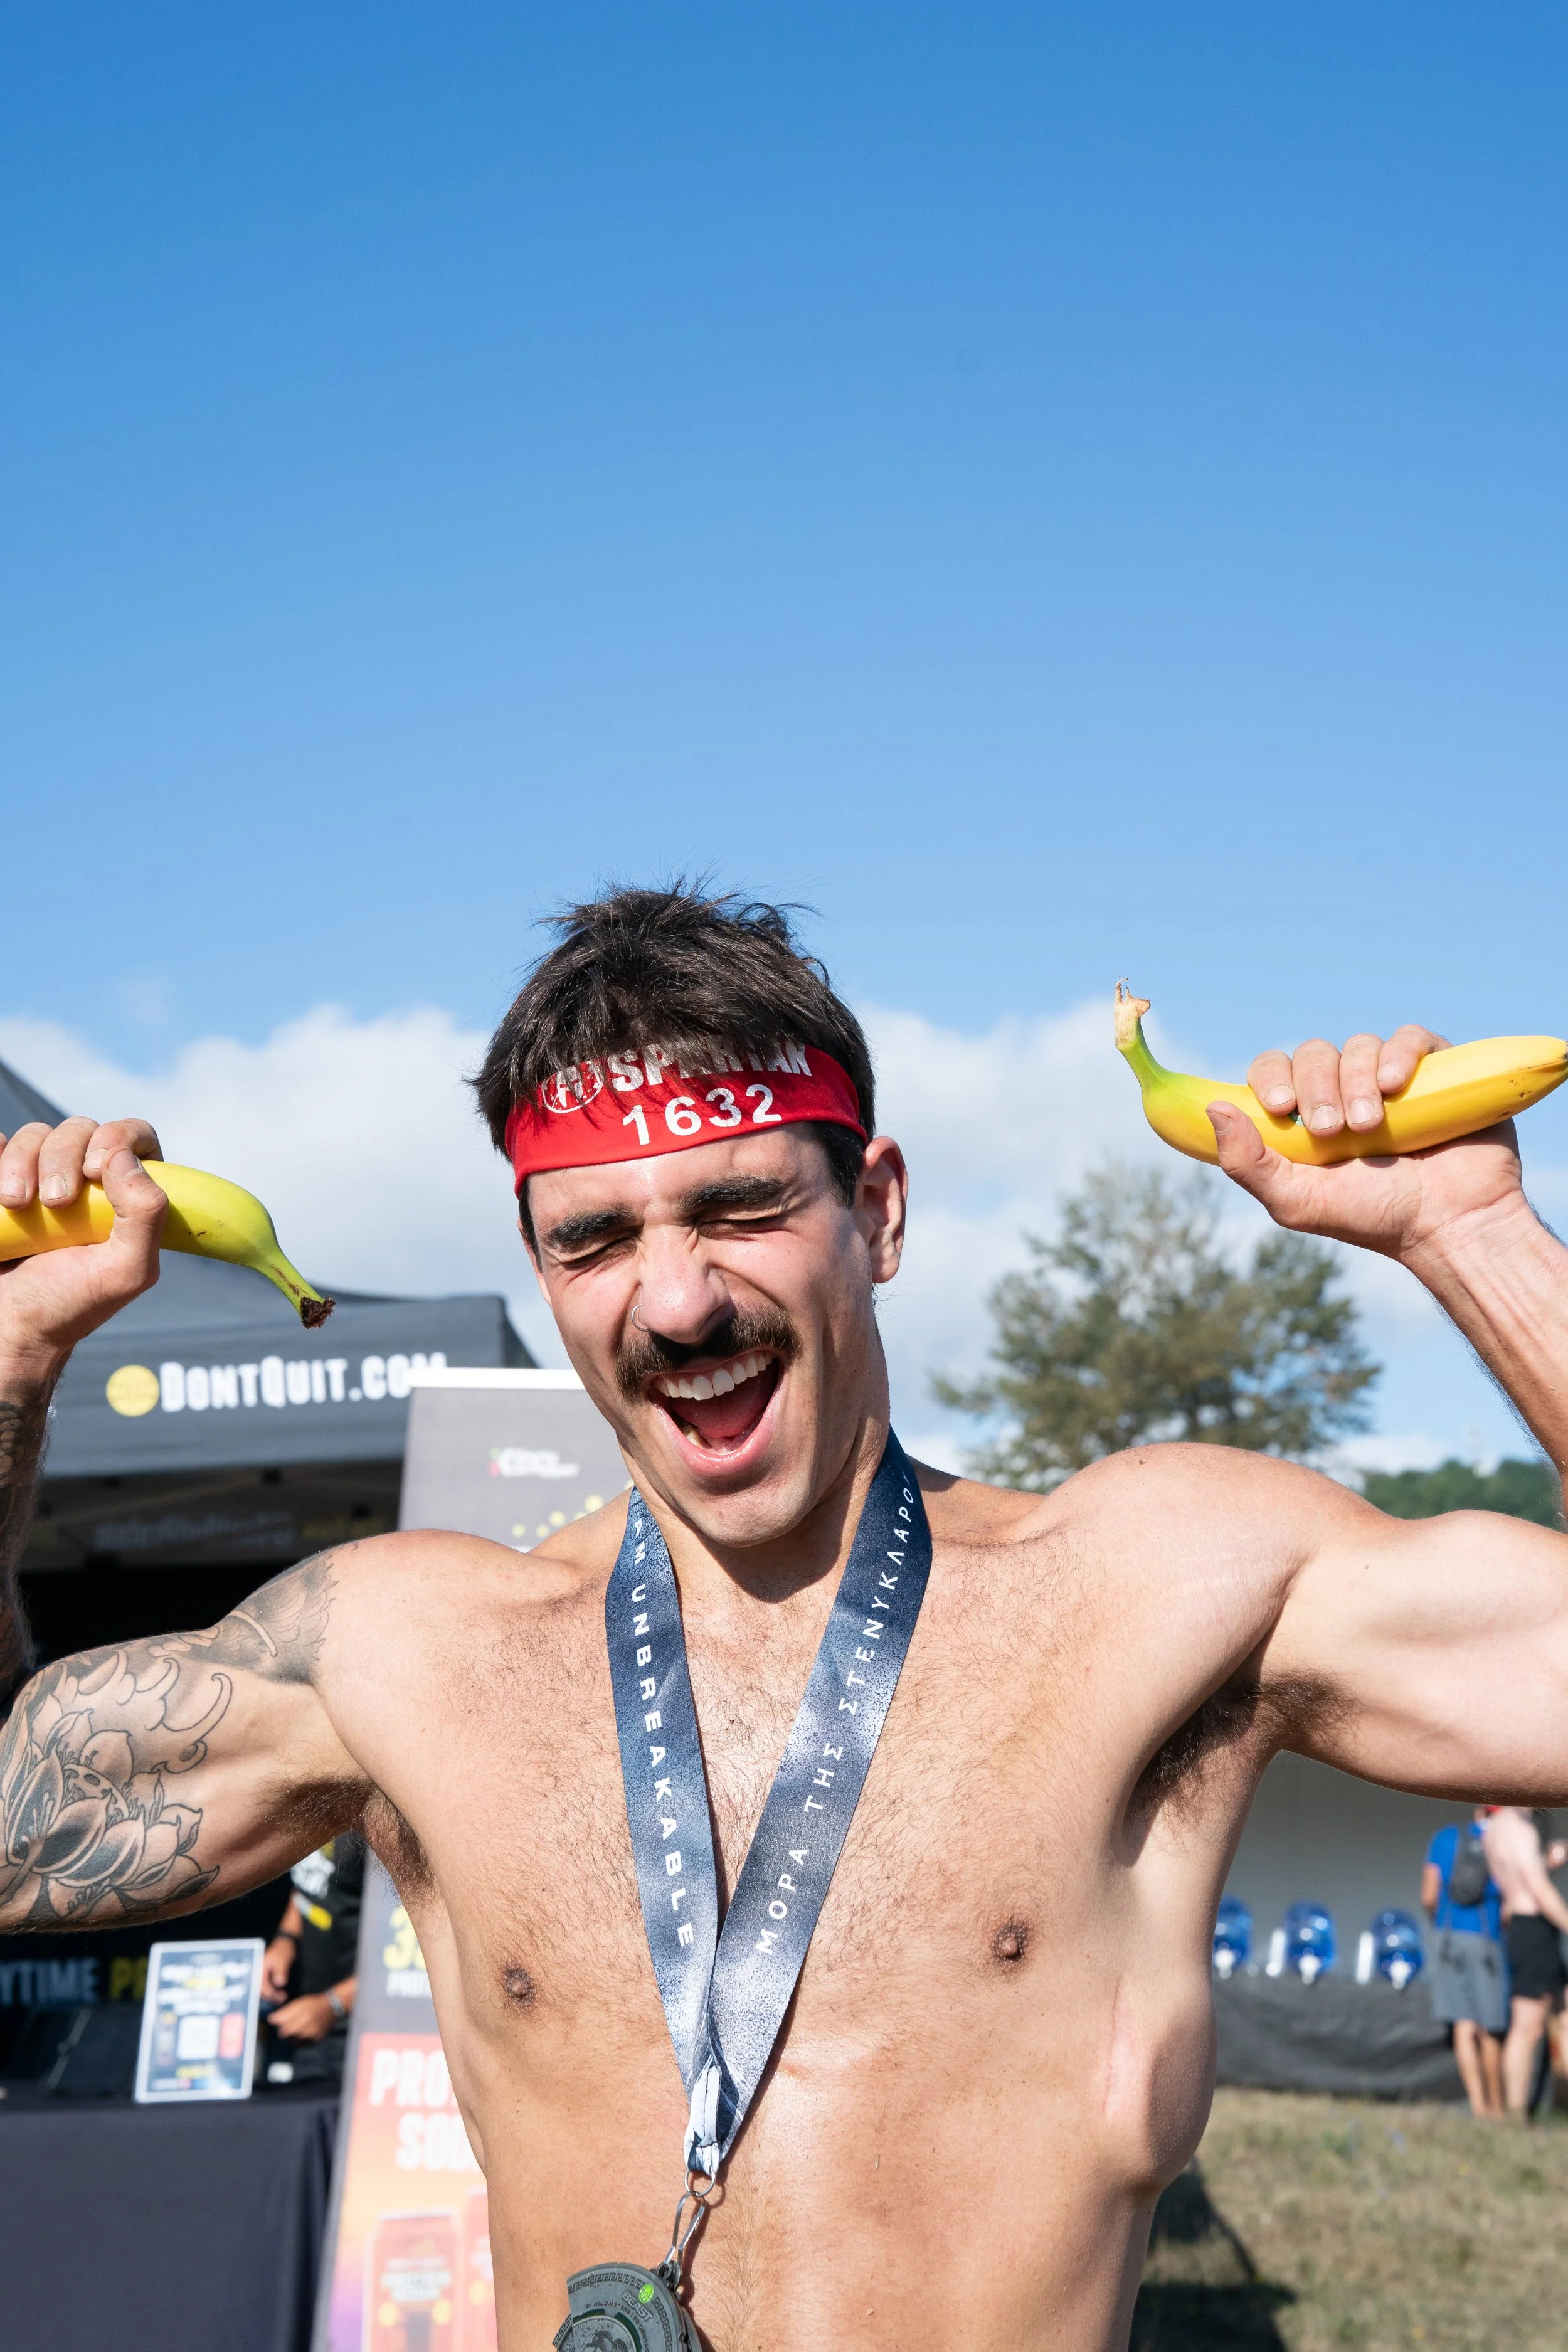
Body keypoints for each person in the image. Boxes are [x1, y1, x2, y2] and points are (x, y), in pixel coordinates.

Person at [4, 886, 1568, 2352]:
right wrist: (10, 1366)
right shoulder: (402, 1650)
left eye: (739, 1205)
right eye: (594, 1238)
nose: (676, 1299)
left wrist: (1471, 1235)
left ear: (876, 1212)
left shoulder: (1165, 1587)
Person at [1480, 1804, 1568, 2116]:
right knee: (1527, 2027)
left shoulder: (1494, 1831)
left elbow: (1519, 1881)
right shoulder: (1521, 1830)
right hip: (1533, 1928)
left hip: (1522, 1926)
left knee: (1564, 2011)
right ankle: (1516, 2114)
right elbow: (1538, 1891)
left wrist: (1547, 1863)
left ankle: (1555, 2104)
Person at [1421, 1811, 1507, 2116]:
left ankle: (1478, 2106)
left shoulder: (1445, 1837)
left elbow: (1429, 1895)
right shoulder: (1502, 1841)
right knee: (1490, 2027)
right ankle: (1498, 2110)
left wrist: (1441, 1925)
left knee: (1463, 2025)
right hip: (1487, 1939)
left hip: (1447, 1938)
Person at [260, 1832, 363, 2084]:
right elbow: (307, 1884)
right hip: (309, 2023)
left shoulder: (377, 1829)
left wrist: (334, 2005)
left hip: (363, 2032)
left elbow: (411, 1959)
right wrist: (285, 1939)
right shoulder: (311, 1809)